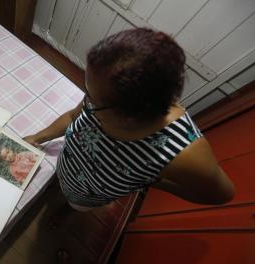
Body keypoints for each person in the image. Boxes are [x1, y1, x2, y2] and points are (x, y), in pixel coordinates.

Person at [24, 28, 234, 210]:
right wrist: (37, 137)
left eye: (92, 97)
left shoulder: (184, 154)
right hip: (64, 169)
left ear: (130, 117)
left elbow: (221, 195)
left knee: (73, 207)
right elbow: (73, 116)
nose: (86, 99)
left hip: (86, 198)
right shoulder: (105, 91)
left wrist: (156, 180)